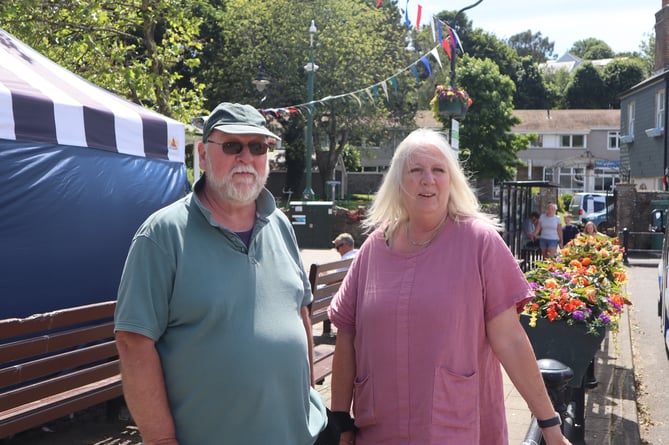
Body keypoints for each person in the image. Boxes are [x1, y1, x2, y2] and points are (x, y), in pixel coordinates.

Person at [327, 128, 570, 445]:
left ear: (451, 180)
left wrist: (550, 426)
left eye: (438, 170)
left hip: (455, 428)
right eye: (416, 170)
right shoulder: (375, 248)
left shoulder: (479, 242)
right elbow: (346, 335)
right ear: (399, 181)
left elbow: (510, 340)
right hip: (379, 428)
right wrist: (340, 420)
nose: (428, 179)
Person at [114, 102, 327, 445]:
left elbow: (299, 310)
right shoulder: (163, 234)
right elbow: (133, 342)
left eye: (257, 147)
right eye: (232, 146)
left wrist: (310, 393)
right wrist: (161, 439)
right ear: (202, 153)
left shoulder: (280, 225)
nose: (246, 157)